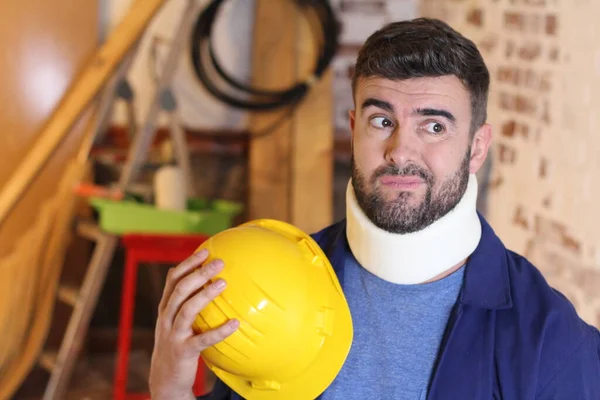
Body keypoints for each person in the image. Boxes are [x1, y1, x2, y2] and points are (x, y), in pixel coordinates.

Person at [148, 18, 600, 399]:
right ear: (353, 129)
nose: (400, 151)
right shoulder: (265, 293)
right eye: (382, 121)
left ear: (477, 147)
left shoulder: (553, 344)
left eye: (434, 126)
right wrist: (169, 389)